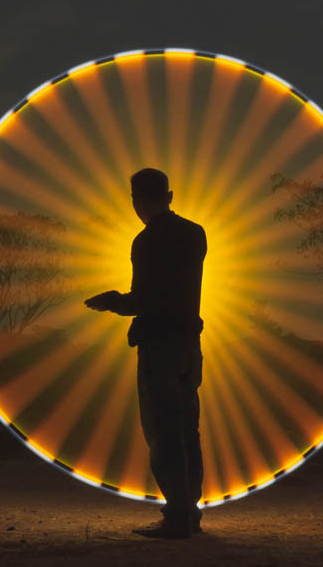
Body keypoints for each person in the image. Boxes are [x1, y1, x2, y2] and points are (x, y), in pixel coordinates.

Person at [84, 167, 206, 539]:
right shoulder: (195, 233)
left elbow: (145, 298)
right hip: (190, 344)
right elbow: (175, 289)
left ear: (137, 200)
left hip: (160, 347)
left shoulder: (147, 241)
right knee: (188, 429)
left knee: (163, 430)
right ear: (169, 196)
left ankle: (177, 517)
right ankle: (190, 512)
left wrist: (113, 303)